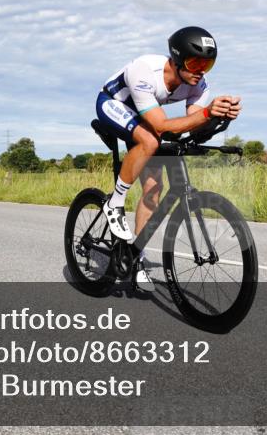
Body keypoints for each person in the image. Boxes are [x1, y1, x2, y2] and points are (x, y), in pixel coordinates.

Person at [95, 26, 241, 291]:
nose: (201, 71)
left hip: (144, 113)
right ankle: (114, 204)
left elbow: (190, 124)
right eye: (195, 62)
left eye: (208, 64)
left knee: (154, 187)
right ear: (175, 60)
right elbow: (161, 126)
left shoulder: (198, 85)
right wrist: (207, 114)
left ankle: (134, 256)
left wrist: (219, 117)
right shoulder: (144, 70)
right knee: (151, 140)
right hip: (113, 104)